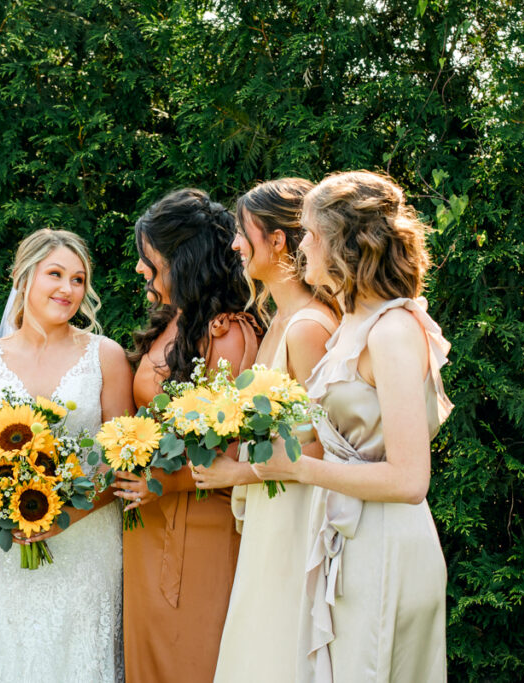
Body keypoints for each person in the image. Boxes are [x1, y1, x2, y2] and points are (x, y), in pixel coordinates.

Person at [251, 171, 452, 682]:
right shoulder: (351, 323)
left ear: (344, 242)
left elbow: (410, 480)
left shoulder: (391, 330)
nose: (304, 246)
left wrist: (300, 471)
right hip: (349, 537)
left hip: (386, 544)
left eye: (311, 234)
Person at [0, 228, 134, 682]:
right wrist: (11, 516)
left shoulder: (106, 357)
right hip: (8, 548)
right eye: (55, 274)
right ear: (23, 276)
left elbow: (121, 460)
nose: (68, 289)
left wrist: (63, 517)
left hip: (86, 538)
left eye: (78, 279)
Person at [109, 188, 262, 682]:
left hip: (200, 527)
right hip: (146, 527)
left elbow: (235, 449)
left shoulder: (228, 332)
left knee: (195, 657)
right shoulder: (168, 322)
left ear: (184, 259)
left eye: (149, 258)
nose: (140, 269)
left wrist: (164, 482)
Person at [191, 178, 339, 682]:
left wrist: (235, 472)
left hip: (296, 517)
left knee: (279, 652)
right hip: (272, 510)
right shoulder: (277, 318)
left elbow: (322, 445)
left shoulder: (308, 327)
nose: (234, 244)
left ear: (277, 240)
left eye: (242, 231)